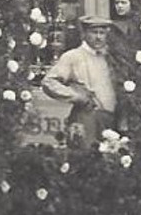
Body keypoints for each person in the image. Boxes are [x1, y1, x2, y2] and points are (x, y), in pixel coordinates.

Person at [41, 16, 117, 144]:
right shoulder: (73, 56)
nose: (98, 37)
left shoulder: (110, 58)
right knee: (84, 158)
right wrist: (76, 96)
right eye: (94, 32)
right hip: (86, 117)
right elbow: (49, 82)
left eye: (102, 33)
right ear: (84, 34)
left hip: (110, 121)